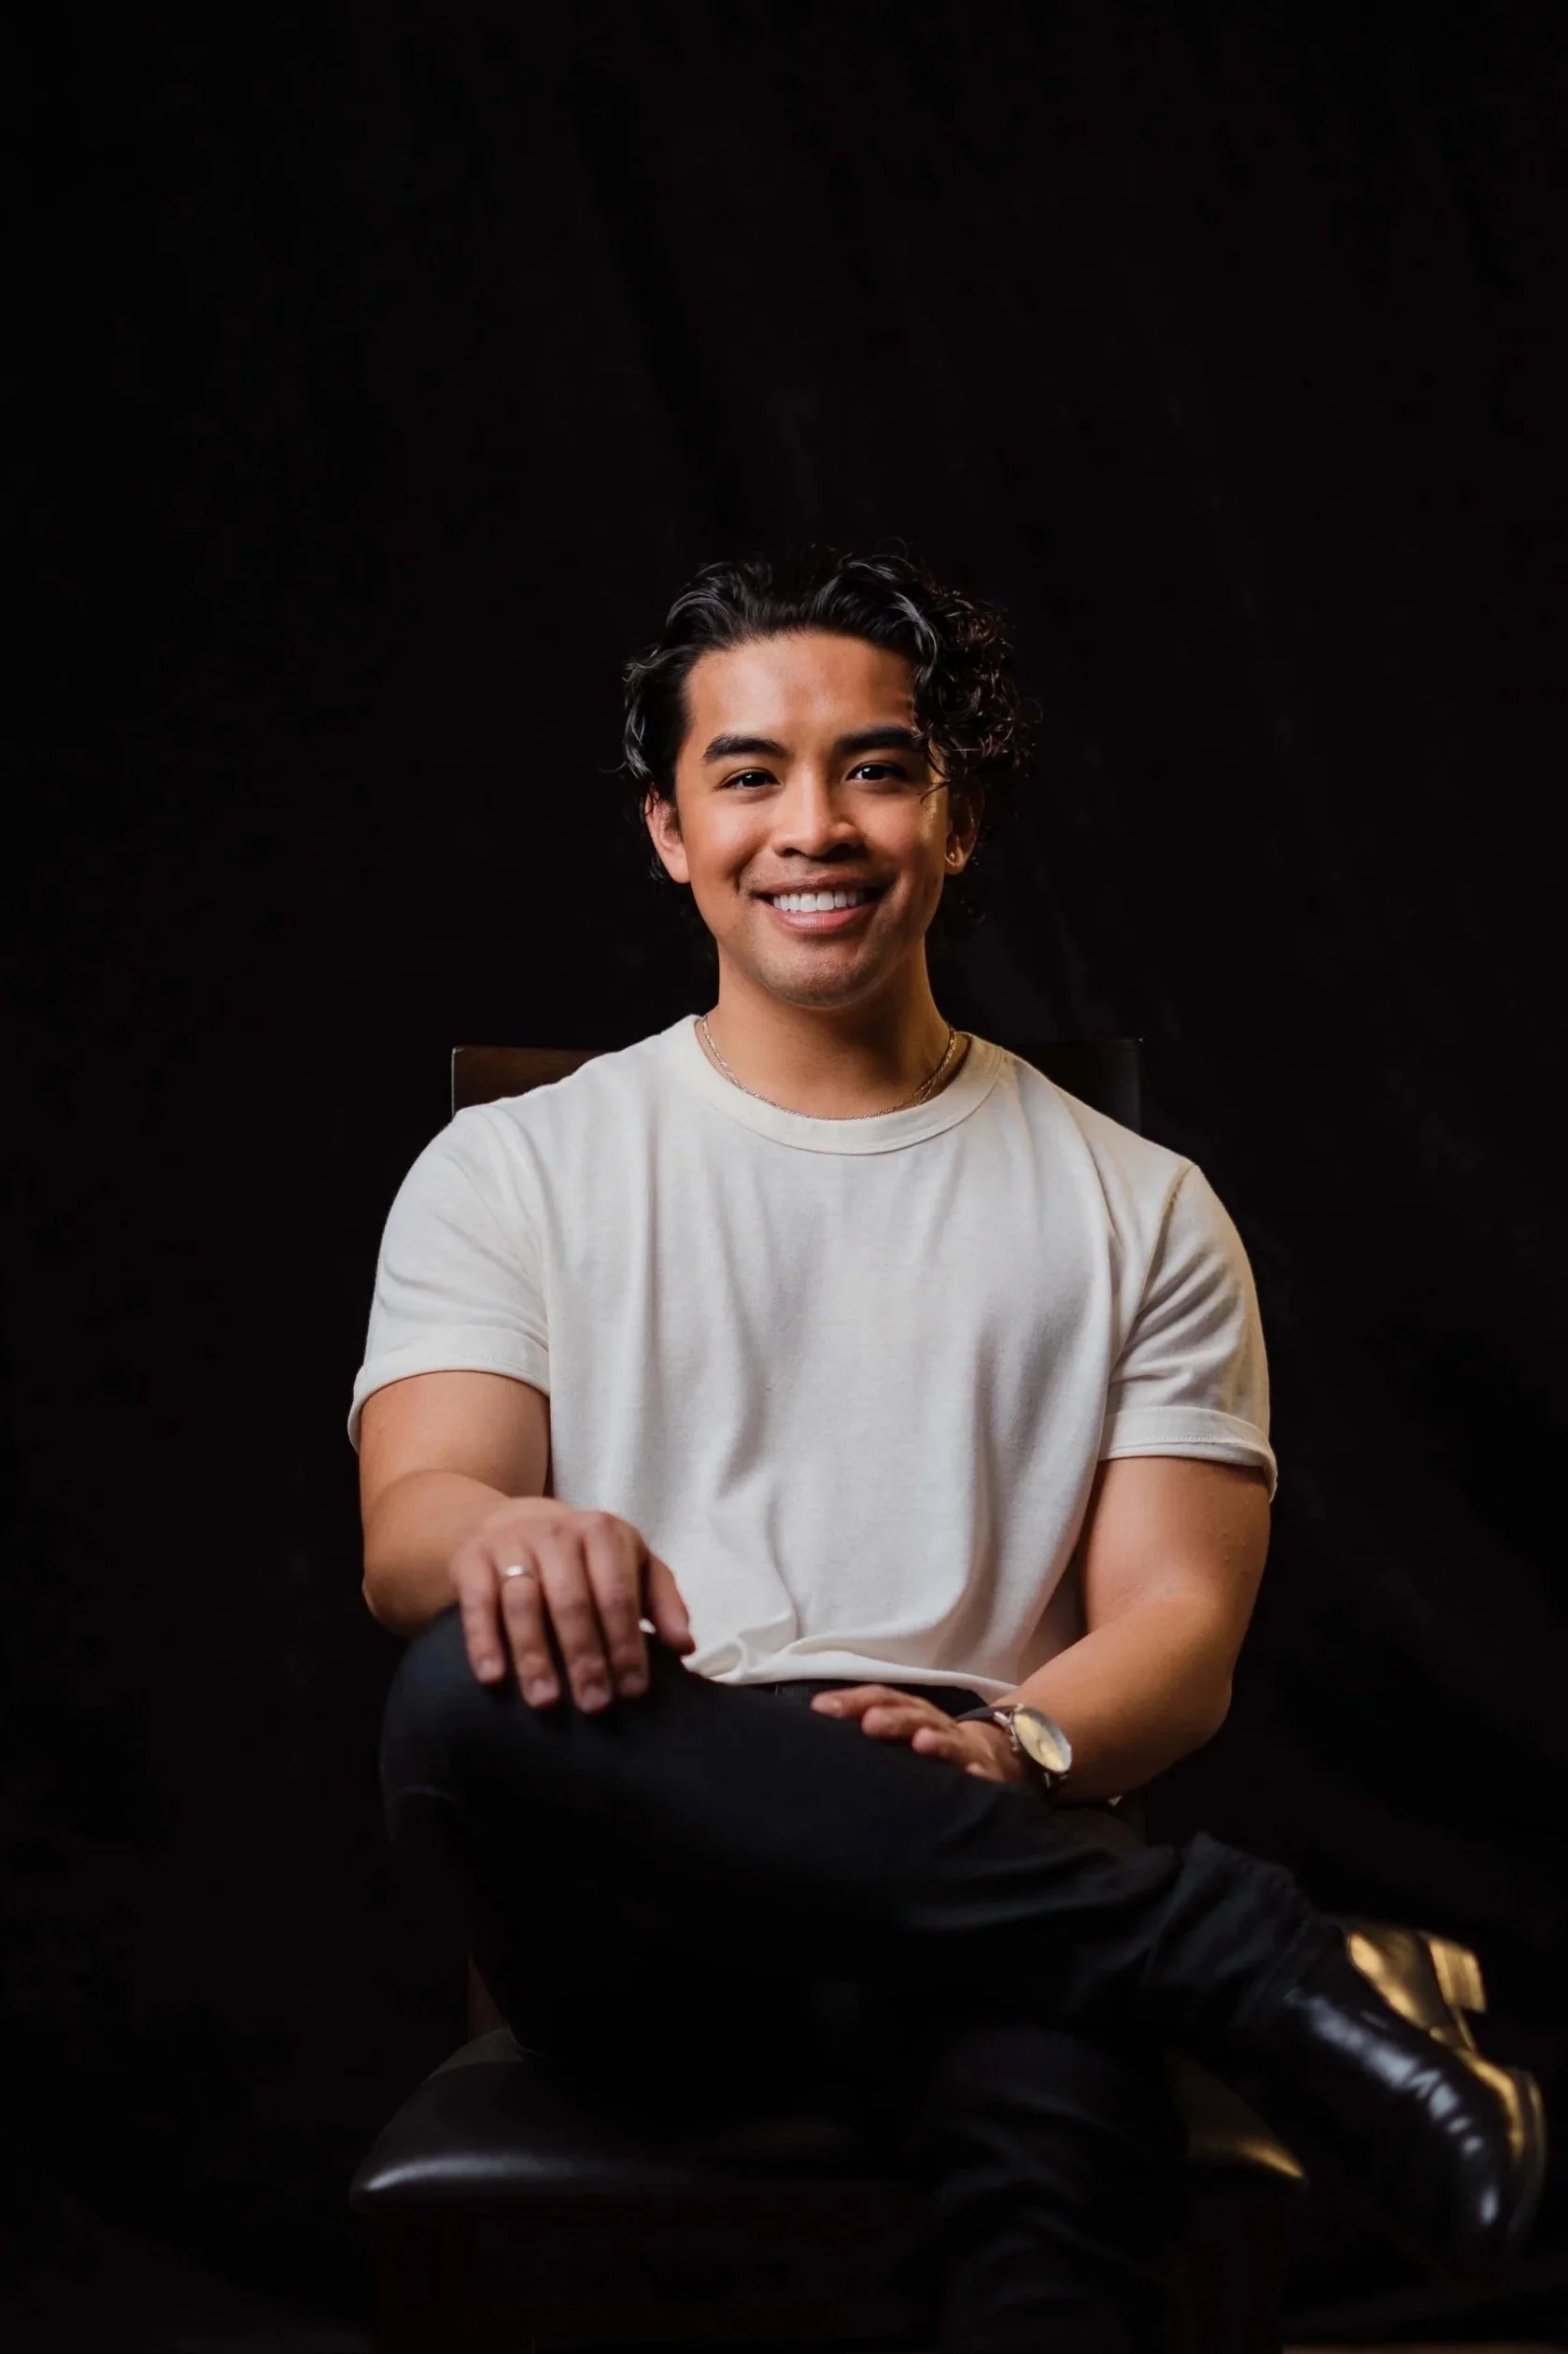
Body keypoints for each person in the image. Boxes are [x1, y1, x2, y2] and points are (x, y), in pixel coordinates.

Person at [352, 547, 1543, 2354]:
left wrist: (1007, 1745)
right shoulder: (514, 1168)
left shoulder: (1142, 1206)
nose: (812, 828)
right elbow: (414, 1523)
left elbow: (1177, 1628)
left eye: (877, 769)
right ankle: (1242, 1955)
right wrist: (505, 1540)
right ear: (670, 830)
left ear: (956, 817)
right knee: (460, 1685)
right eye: (747, 774)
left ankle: (1126, 1953)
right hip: (650, 1892)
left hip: (977, 1841)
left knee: (1059, 2153)